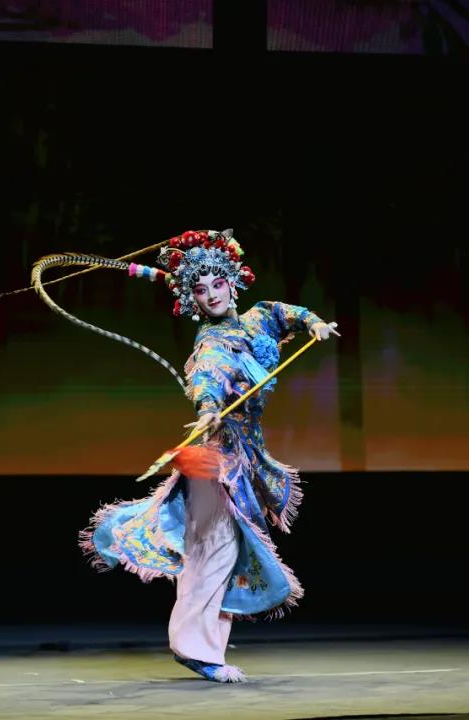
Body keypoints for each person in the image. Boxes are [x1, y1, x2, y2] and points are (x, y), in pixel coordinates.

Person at [78, 229, 338, 683]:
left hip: (245, 457)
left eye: (217, 284)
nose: (211, 294)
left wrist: (314, 324)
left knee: (226, 552)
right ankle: (196, 650)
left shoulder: (260, 317)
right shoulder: (210, 343)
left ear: (232, 282)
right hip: (217, 459)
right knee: (214, 549)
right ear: (192, 299)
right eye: (200, 290)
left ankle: (207, 648)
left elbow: (291, 314)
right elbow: (207, 380)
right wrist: (208, 410)